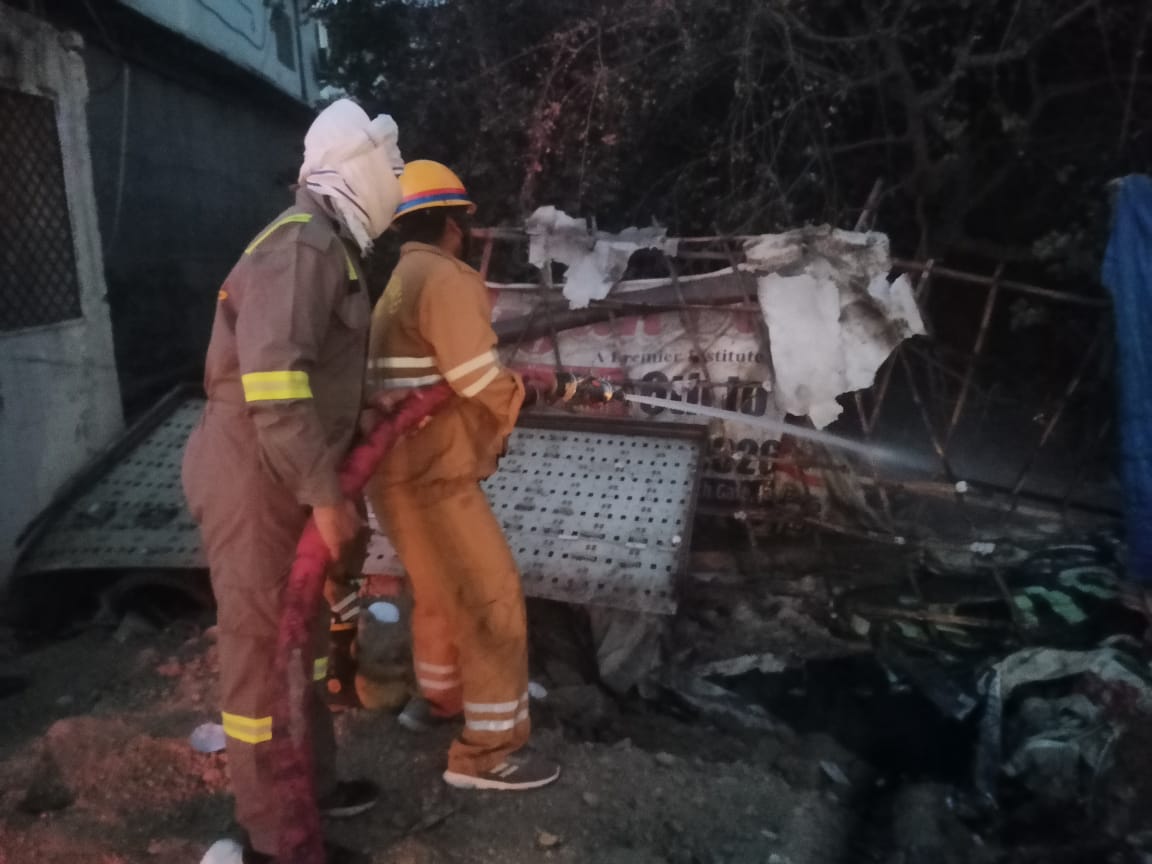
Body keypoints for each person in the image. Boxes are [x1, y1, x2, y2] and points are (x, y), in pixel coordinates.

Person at [182, 99, 404, 863]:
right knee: (261, 656)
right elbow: (274, 386)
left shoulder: (324, 245)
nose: (395, 175)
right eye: (386, 161)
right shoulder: (305, 245)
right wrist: (323, 494)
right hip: (257, 477)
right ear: (353, 169)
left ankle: (309, 788)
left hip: (278, 468)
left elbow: (309, 374)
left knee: (300, 642)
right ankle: (278, 838)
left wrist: (363, 409)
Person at [365, 159, 561, 791]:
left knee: (438, 594)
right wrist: (524, 395)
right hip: (434, 475)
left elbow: (435, 371)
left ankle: (440, 701)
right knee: (490, 598)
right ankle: (490, 752)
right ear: (455, 224)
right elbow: (476, 377)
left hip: (396, 473)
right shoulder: (446, 277)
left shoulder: (398, 281)